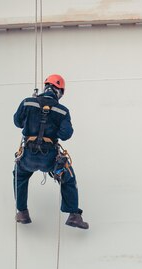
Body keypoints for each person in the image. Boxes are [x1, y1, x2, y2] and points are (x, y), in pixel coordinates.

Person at [13, 74, 89, 229]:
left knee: (19, 176)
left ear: (46, 87)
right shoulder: (62, 111)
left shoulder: (28, 102)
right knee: (68, 178)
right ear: (59, 91)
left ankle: (22, 212)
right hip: (50, 158)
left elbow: (17, 122)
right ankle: (74, 215)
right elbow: (65, 135)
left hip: (28, 156)